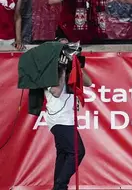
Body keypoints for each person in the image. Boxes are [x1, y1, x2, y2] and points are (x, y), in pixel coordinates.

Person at [45, 53, 92, 190]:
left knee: (64, 154)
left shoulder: (71, 71)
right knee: (78, 151)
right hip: (58, 119)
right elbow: (57, 91)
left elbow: (89, 82)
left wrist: (77, 64)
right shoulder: (47, 72)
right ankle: (60, 185)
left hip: (68, 119)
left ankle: (58, 187)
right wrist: (62, 69)